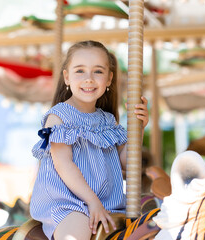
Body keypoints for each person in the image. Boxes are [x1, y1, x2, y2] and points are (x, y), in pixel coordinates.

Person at [30, 40, 149, 240]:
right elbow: (64, 165)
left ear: (109, 79)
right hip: (68, 204)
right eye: (80, 71)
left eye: (98, 72)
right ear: (66, 77)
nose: (89, 79)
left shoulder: (108, 121)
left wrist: (138, 128)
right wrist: (92, 201)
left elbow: (127, 163)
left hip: (108, 202)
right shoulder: (58, 117)